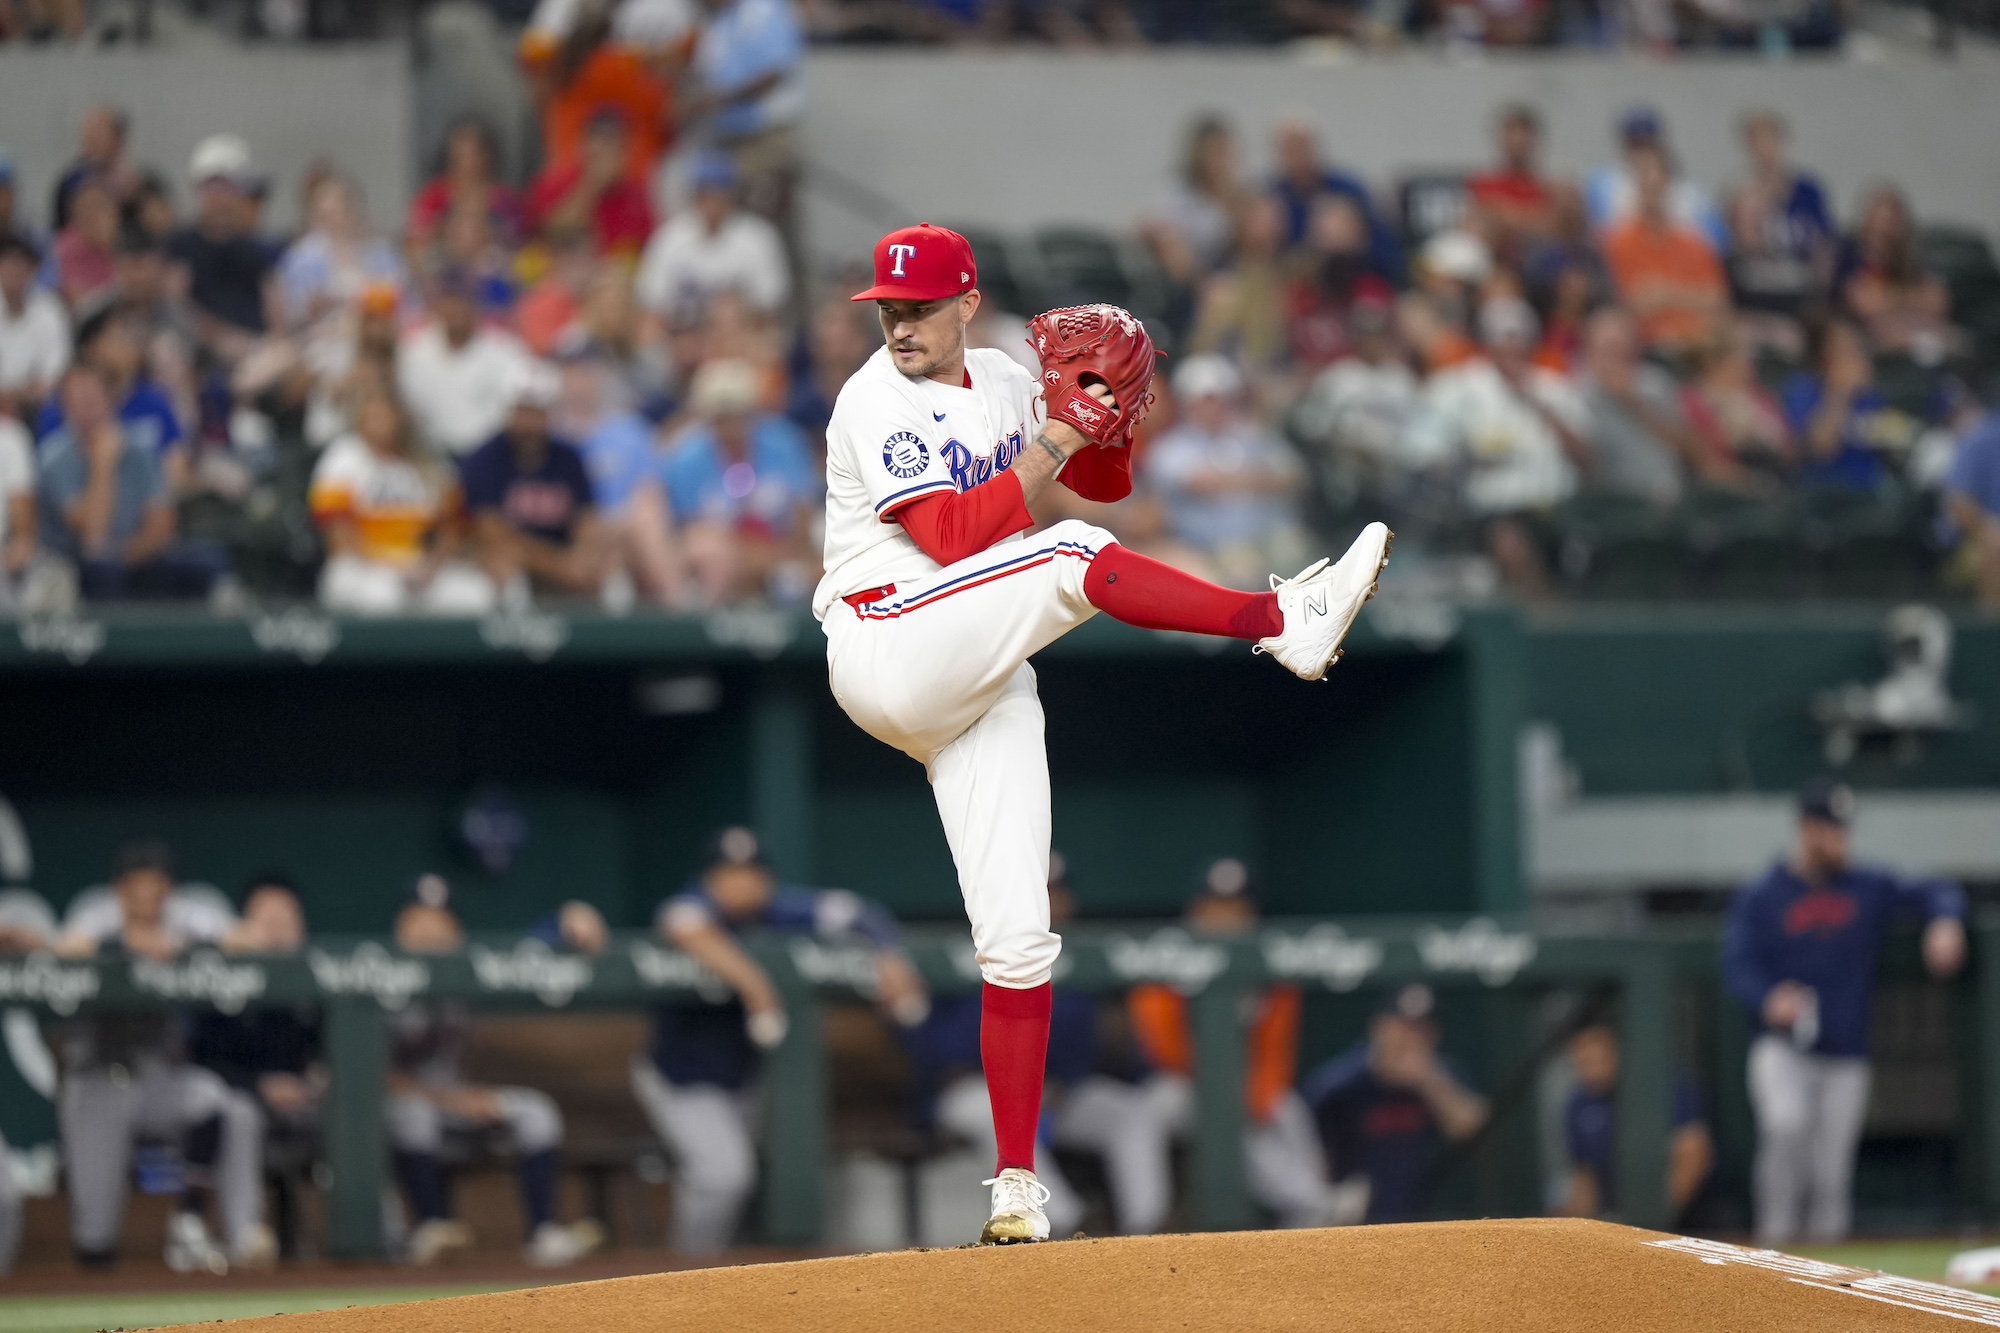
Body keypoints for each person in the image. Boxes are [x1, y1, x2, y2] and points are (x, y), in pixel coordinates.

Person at [818, 224, 1390, 1243]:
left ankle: (1011, 1189)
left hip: (973, 669)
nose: (897, 323)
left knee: (1019, 937)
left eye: (914, 306)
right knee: (1069, 554)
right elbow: (952, 535)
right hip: (886, 635)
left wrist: (1105, 417)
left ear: (963, 303)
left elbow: (1102, 487)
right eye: (886, 308)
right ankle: (1281, 623)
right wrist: (1060, 433)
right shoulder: (872, 398)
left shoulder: (997, 379)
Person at [633, 827, 927, 1253]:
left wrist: (889, 955)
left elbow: (856, 911)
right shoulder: (691, 906)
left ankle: (715, 1274)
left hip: (745, 1079)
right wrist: (757, 987)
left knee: (752, 1172)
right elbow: (684, 927)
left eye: (750, 873)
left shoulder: (782, 909)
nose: (741, 883)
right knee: (723, 1175)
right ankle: (683, 1275)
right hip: (681, 1076)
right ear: (708, 880)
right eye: (727, 874)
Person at [1723, 777, 1967, 1246]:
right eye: (1830, 829)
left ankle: (1827, 1282)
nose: (1840, 839)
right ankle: (1771, 1254)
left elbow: (1937, 889)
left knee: (1831, 1167)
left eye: (1843, 829)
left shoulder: (1866, 885)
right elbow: (1738, 963)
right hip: (1782, 1045)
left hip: (1845, 1049)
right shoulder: (1764, 893)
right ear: (1807, 829)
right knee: (1784, 1128)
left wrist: (1945, 921)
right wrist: (1768, 998)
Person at [52, 841, 275, 1272]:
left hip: (159, 1077)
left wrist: (185, 949)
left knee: (221, 1104)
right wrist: (126, 952)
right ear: (119, 891)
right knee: (94, 1237)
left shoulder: (185, 914)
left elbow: (249, 941)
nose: (146, 902)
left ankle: (201, 1222)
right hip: (100, 1077)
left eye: (156, 891)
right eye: (136, 892)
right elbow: (68, 952)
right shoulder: (98, 912)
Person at [1122, 860, 1366, 1233]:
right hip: (1176, 1083)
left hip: (1243, 1083)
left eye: (1236, 909)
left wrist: (1257, 1095)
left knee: (1289, 1109)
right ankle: (1143, 1224)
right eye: (1215, 907)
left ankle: (1312, 1211)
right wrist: (1224, 1088)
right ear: (1196, 911)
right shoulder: (1168, 957)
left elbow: (1275, 1050)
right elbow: (1162, 1045)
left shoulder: (1268, 967)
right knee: (1153, 1116)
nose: (1225, 919)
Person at [387, 874, 605, 1267]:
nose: (430, 931)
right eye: (418, 920)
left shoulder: (465, 970)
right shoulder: (378, 977)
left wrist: (563, 922)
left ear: (457, 932)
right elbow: (373, 1077)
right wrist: (455, 1099)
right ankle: (431, 1229)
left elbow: (523, 955)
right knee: (412, 1115)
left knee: (536, 1111)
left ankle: (544, 1233)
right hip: (395, 1105)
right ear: (400, 927)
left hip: (455, 1100)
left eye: (441, 921)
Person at [1402, 296, 1586, 595]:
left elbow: (1586, 456)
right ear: (1487, 343)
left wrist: (1539, 405)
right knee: (1509, 539)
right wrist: (1465, 462)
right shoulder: (1459, 387)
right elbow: (1420, 451)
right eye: (1503, 337)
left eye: (1519, 338)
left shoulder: (1555, 388)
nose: (1512, 346)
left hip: (1558, 508)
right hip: (1486, 510)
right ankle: (1542, 620)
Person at [186, 878, 325, 1260]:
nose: (278, 932)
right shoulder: (218, 976)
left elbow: (329, 1051)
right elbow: (200, 1060)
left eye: (287, 921)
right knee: (239, 1114)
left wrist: (319, 1075)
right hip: (243, 1097)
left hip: (306, 1104)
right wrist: (259, 1084)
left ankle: (377, 1241)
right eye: (269, 920)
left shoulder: (317, 979)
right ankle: (246, 1239)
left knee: (356, 1111)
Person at [1301, 984, 1490, 1225]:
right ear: (1379, 1028)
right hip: (1352, 1225)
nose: (1412, 1038)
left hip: (1426, 1221)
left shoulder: (1442, 1075)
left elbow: (1473, 1127)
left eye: (1421, 1029)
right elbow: (1305, 1156)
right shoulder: (1339, 1085)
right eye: (1403, 1027)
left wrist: (1429, 1081)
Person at [36, 363, 225, 600]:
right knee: (102, 571)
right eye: (80, 404)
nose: (88, 412)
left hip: (134, 554)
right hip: (76, 565)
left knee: (206, 562)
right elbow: (91, 535)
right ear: (65, 409)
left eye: (94, 401)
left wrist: (127, 555)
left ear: (109, 401)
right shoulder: (53, 459)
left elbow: (162, 522)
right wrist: (103, 466)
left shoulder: (138, 448)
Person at [309, 390, 494, 615]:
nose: (379, 425)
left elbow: (454, 528)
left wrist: (431, 568)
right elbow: (338, 535)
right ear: (359, 421)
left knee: (472, 595)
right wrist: (394, 568)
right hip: (361, 567)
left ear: (401, 419)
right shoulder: (345, 456)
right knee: (384, 597)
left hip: (422, 567)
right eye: (372, 417)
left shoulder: (428, 459)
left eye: (385, 417)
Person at [662, 356, 822, 604]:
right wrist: (747, 557)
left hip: (783, 555)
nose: (731, 427)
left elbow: (804, 515)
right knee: (708, 552)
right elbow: (688, 533)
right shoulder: (687, 459)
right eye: (721, 418)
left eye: (738, 415)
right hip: (723, 565)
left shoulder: (784, 443)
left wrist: (778, 557)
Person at [1142, 354, 1310, 588]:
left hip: (1269, 536)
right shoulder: (1171, 446)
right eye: (1205, 400)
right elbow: (1200, 483)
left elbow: (1293, 477)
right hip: (1204, 547)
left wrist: (1231, 480)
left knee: (1297, 553)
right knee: (1242, 570)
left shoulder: (1253, 434)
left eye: (1220, 399)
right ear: (1187, 402)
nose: (1213, 407)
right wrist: (1259, 479)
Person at [460, 359, 611, 602]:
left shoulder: (568, 458)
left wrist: (586, 556)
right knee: (504, 563)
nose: (530, 422)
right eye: (523, 411)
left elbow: (587, 519)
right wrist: (562, 567)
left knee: (609, 559)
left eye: (538, 412)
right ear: (509, 410)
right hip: (520, 561)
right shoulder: (484, 460)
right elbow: (493, 532)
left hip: (565, 558)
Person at [1557, 1022, 1713, 1227]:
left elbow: (1694, 1157)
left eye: (1597, 1060)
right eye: (1582, 1064)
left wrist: (1650, 1220)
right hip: (1616, 1220)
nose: (1591, 1072)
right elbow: (1586, 1178)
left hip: (1690, 1219)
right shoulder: (1579, 1103)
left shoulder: (1667, 1085)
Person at [1601, 144, 1730, 358]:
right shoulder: (1617, 242)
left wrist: (1666, 293)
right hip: (1647, 351)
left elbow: (1717, 300)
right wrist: (1688, 296)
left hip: (1697, 348)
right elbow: (1630, 304)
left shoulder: (1695, 243)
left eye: (1659, 178)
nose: (1653, 184)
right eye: (1645, 177)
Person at [634, 151, 789, 326]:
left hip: (741, 338)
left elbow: (770, 312)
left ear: (731, 195)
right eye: (705, 194)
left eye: (718, 193)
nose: (712, 203)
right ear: (694, 196)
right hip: (683, 342)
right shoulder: (671, 238)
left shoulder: (758, 237)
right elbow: (651, 311)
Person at [397, 269, 533, 457]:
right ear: (437, 305)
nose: (456, 307)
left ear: (475, 303)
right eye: (449, 299)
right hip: (432, 455)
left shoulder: (505, 349)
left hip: (493, 455)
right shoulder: (413, 351)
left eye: (462, 299)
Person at [166, 135, 278, 361]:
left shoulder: (258, 248)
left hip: (257, 349)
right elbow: (176, 305)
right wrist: (221, 338)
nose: (220, 198)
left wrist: (270, 345)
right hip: (202, 352)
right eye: (212, 188)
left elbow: (275, 309)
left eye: (228, 189)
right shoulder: (180, 245)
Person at [1574, 307, 1695, 506]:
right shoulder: (1577, 393)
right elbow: (1588, 463)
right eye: (1608, 348)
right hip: (1614, 504)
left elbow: (1686, 448)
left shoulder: (1655, 382)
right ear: (1590, 349)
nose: (1616, 357)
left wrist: (1634, 403)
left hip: (1670, 497)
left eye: (1622, 348)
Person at [1269, 120, 1402, 282]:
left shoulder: (1350, 189)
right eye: (1289, 149)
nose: (1297, 155)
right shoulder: (1273, 196)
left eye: (1302, 146)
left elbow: (1384, 244)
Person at [1584, 109, 1725, 255]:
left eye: (1646, 142)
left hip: (1681, 262)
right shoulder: (1602, 183)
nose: (1641, 149)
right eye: (1636, 143)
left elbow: (1718, 244)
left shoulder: (1692, 195)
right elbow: (1598, 237)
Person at [1780, 318, 1897, 492]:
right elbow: (1821, 449)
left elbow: (1889, 437)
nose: (1854, 359)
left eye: (1857, 350)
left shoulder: (1867, 395)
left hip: (1869, 488)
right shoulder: (1803, 389)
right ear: (1823, 355)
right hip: (1821, 490)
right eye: (1844, 351)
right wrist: (1839, 394)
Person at [1838, 187, 1952, 363]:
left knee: (1950, 338)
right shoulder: (1850, 256)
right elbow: (1865, 303)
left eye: (1890, 221)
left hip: (1921, 330)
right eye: (1877, 219)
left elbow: (1937, 301)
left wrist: (1891, 302)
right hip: (1868, 339)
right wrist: (1910, 300)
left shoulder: (1913, 258)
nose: (1882, 228)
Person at [522, 112, 656, 259]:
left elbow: (646, 254)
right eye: (598, 147)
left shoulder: (638, 200)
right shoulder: (553, 184)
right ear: (583, 146)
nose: (606, 156)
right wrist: (592, 186)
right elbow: (547, 239)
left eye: (613, 146)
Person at [1139, 114, 1245, 291]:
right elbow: (1157, 231)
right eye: (1216, 152)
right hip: (1190, 282)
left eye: (1225, 151)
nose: (1222, 160)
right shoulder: (1178, 193)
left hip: (1228, 274)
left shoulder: (1237, 194)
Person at [405, 117, 522, 257]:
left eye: (472, 154)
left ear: (487, 156)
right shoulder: (434, 197)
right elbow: (415, 241)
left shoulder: (506, 200)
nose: (467, 163)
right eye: (460, 156)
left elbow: (521, 242)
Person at [1466, 104, 1559, 259]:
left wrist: (1503, 213)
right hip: (1496, 260)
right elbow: (1475, 227)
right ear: (1501, 137)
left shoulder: (1551, 188)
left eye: (1524, 131)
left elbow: (1555, 228)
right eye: (1512, 131)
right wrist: (1532, 216)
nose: (1518, 139)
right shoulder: (1482, 184)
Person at [0, 230, 69, 420]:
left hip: (35, 408)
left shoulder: (51, 311)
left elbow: (55, 372)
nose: (15, 269)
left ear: (34, 269)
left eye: (22, 263)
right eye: (8, 262)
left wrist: (17, 394)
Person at [1944, 407, 2000, 608]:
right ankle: (1991, 632)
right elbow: (1958, 502)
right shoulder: (1982, 436)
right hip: (1974, 539)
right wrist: (1986, 531)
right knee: (1996, 546)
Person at [51, 172, 120, 310]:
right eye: (86, 208)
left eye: (99, 206)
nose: (93, 215)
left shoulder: (128, 240)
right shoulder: (66, 246)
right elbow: (77, 298)